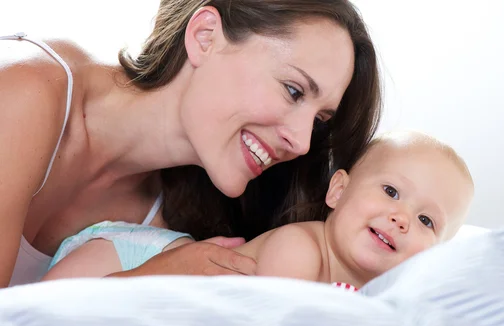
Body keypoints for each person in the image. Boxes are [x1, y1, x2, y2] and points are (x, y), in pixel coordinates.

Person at [0, 0, 381, 288]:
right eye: (293, 90)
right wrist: (142, 282)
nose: (299, 143)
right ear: (205, 37)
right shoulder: (24, 93)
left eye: (317, 123)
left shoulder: (170, 226)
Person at [43, 131, 474, 289]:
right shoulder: (301, 250)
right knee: (41, 317)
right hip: (135, 255)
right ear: (338, 191)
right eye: (391, 192)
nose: (401, 218)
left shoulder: (381, 296)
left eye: (426, 220)